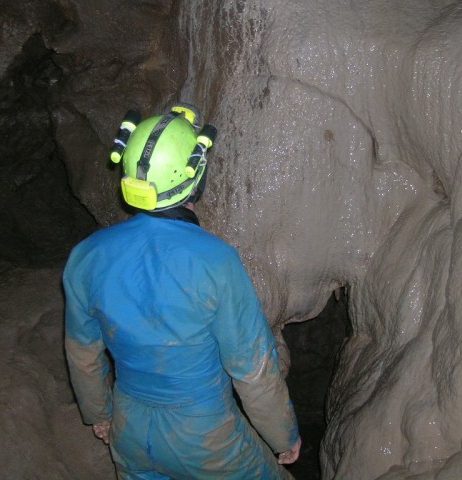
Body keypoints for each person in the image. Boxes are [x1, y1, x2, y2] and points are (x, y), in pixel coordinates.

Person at [63, 104, 301, 479]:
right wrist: (282, 436)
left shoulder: (87, 256)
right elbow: (252, 367)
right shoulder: (215, 261)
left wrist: (100, 415)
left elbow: (83, 355)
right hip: (206, 437)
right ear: (197, 178)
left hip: (131, 432)